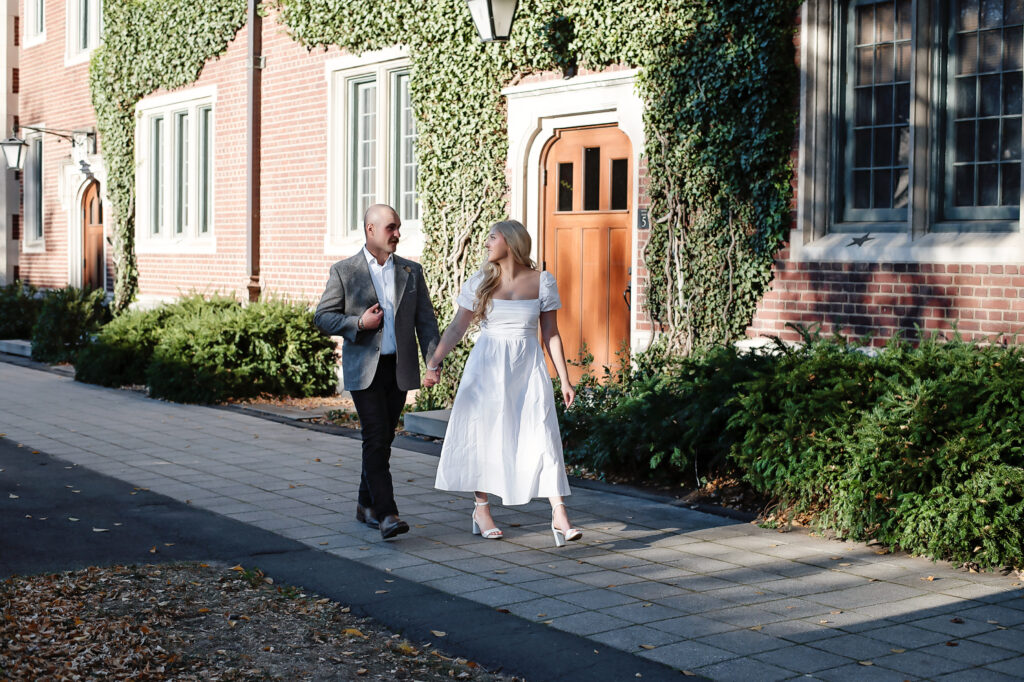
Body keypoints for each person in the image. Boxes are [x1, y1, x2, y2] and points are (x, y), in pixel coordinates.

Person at [424, 219, 582, 547]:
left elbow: (550, 333)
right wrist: (434, 361)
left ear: (510, 242)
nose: (486, 243)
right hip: (487, 367)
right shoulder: (481, 281)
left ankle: (560, 513)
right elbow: (456, 328)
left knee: (541, 431)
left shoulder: (543, 281)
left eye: (492, 237)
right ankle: (481, 509)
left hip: (527, 368)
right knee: (484, 433)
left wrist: (565, 380)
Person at [314, 204, 440, 540]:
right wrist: (358, 322)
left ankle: (364, 504)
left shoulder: (412, 272)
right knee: (374, 436)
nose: (397, 233)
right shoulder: (345, 271)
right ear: (370, 230)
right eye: (391, 228)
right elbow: (322, 317)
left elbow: (426, 322)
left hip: (398, 370)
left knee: (382, 439)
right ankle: (387, 514)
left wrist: (433, 362)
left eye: (398, 227)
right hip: (364, 371)